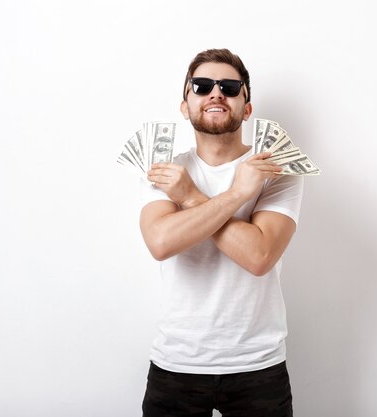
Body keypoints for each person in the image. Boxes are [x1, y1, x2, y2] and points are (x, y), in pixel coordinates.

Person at [139, 48, 304, 417]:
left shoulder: (276, 170)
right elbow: (162, 242)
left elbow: (259, 256)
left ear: (246, 107)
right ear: (185, 105)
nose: (216, 94)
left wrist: (191, 198)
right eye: (201, 86)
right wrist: (237, 196)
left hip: (258, 365)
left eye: (230, 87)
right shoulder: (163, 170)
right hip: (176, 363)